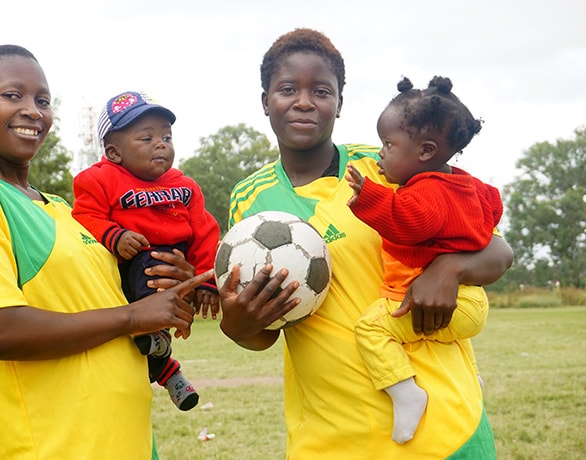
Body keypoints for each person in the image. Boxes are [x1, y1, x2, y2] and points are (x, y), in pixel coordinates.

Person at [217, 28, 513, 459]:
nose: (303, 101)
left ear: (340, 102)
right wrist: (237, 326)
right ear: (265, 100)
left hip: (445, 428)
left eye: (321, 90)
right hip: (333, 439)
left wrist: (451, 269)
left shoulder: (392, 165)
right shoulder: (249, 199)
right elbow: (265, 332)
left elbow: (498, 252)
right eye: (286, 89)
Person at [0, 44, 212, 459]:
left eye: (42, 100)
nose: (32, 110)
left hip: (128, 443)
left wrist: (174, 279)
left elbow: (114, 302)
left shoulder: (62, 209)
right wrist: (134, 316)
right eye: (13, 96)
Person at [345, 75, 504, 444]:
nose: (380, 152)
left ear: (426, 152)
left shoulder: (428, 192)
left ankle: (405, 393)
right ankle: (472, 381)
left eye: (388, 144)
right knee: (443, 338)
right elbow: (493, 206)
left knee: (372, 328)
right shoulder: (465, 184)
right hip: (471, 299)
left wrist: (368, 196)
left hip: (453, 298)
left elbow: (409, 221)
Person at [72, 90, 220, 411]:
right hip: (130, 263)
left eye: (166, 136)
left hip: (175, 263)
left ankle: (161, 354)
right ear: (114, 152)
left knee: (163, 282)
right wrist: (114, 235)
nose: (161, 144)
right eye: (146, 137)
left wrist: (207, 282)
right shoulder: (99, 179)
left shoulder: (185, 187)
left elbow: (205, 233)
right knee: (147, 274)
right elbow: (84, 215)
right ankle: (168, 368)